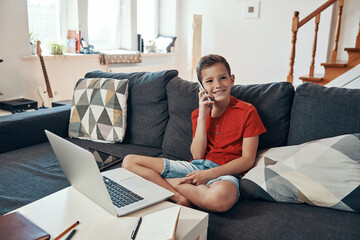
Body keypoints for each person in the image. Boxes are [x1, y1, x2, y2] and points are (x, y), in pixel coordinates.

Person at [122, 54, 266, 212]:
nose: (218, 85)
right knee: (129, 162)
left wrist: (209, 175)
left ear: (232, 79)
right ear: (202, 87)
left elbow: (247, 160)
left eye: (223, 78)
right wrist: (203, 115)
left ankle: (160, 183)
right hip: (195, 167)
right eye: (209, 81)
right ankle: (178, 197)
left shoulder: (248, 111)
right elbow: (197, 156)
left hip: (226, 173)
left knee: (219, 199)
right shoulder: (198, 114)